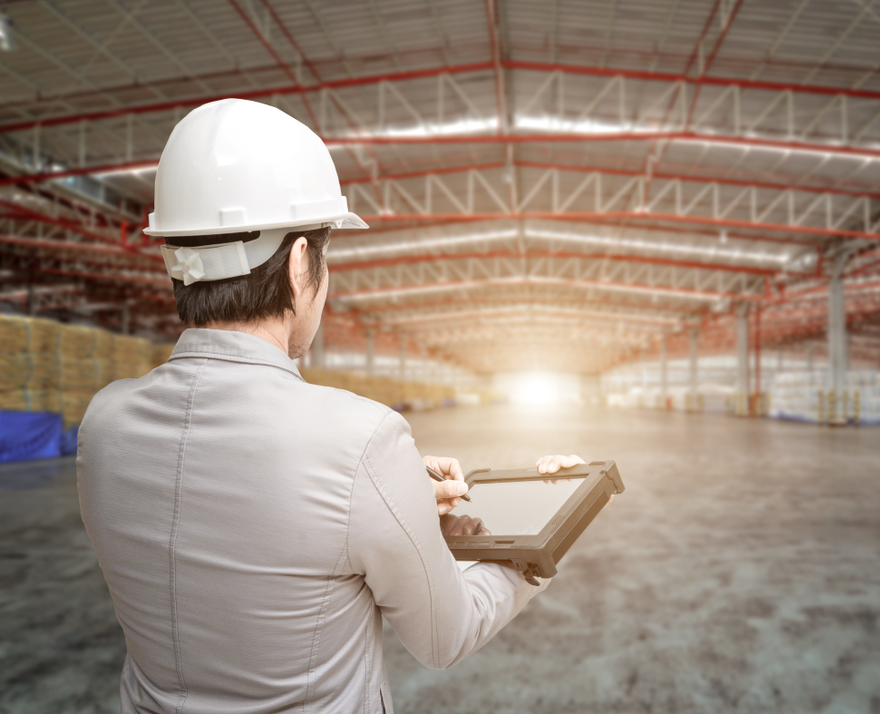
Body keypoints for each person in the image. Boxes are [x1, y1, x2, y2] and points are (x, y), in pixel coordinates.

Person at [76, 98, 585, 714]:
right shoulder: (361, 438)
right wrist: (539, 546)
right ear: (298, 266)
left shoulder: (104, 423)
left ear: (175, 262)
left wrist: (393, 504)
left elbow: (233, 535)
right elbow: (443, 638)